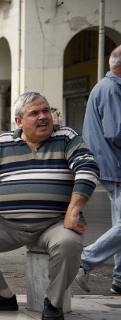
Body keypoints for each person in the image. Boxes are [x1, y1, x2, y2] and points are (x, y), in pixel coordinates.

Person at [0, 92, 99, 319]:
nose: (43, 117)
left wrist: (73, 211)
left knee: (69, 242)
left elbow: (87, 169)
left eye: (46, 111)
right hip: (7, 226)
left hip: (56, 223)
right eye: (35, 113)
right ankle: (2, 295)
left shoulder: (66, 136)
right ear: (19, 121)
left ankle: (53, 303)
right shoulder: (2, 143)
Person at [75, 44, 121, 295]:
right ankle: (85, 261)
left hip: (110, 163)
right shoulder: (112, 89)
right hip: (115, 164)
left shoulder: (106, 87)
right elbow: (117, 131)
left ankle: (119, 280)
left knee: (120, 226)